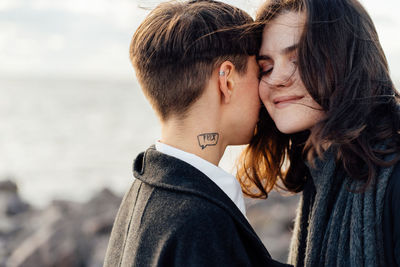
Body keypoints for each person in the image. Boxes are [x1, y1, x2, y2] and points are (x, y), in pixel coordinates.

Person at [103, 1, 291, 266]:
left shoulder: (141, 193)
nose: (267, 87)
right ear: (226, 80)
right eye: (260, 72)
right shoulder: (199, 220)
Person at [237, 0, 400, 266]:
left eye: (299, 59)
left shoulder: (393, 180)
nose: (276, 78)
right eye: (266, 67)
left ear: (349, 60)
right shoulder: (321, 174)